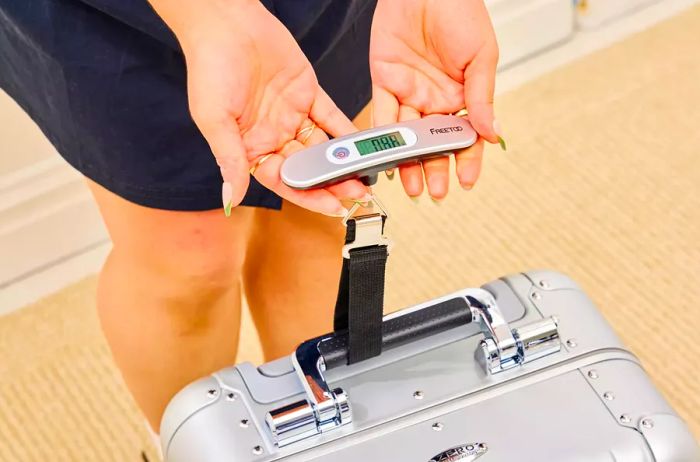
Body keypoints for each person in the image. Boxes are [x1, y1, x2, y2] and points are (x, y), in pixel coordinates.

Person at [0, 0, 501, 435]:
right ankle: (193, 443)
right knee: (190, 260)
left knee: (320, 211)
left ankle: (318, 424)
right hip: (121, 24)